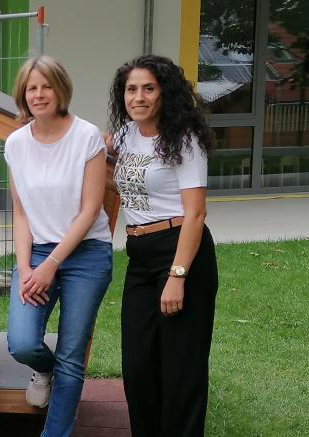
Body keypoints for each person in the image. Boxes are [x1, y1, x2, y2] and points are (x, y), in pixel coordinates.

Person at [2, 56, 114, 437]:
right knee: (20, 342)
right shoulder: (15, 143)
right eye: (31, 88)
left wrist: (51, 263)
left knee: (71, 355)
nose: (38, 94)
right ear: (23, 94)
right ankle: (42, 368)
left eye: (46, 86)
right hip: (34, 254)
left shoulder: (86, 136)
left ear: (60, 89)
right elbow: (20, 213)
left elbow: (90, 210)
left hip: (87, 254)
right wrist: (25, 266)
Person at [107, 54, 218, 437]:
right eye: (131, 89)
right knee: (138, 364)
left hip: (181, 251)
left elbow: (196, 214)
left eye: (148, 89)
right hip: (139, 254)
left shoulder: (184, 139)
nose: (138, 97)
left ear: (164, 93)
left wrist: (178, 275)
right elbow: (111, 180)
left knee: (180, 367)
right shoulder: (124, 136)